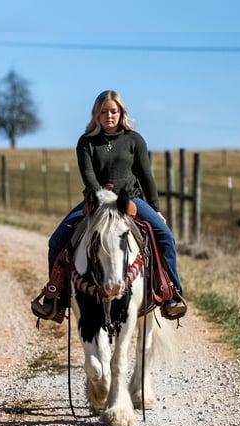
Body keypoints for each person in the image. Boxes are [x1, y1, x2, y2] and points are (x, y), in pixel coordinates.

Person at [31, 89, 187, 322]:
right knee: (57, 240)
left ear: (121, 112)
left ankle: (170, 293)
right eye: (103, 111)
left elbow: (146, 176)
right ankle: (56, 296)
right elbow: (88, 175)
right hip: (96, 201)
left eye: (113, 111)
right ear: (96, 114)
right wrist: (101, 197)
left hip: (131, 200)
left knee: (164, 235)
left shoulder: (135, 140)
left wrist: (155, 208)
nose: (109, 116)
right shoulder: (86, 142)